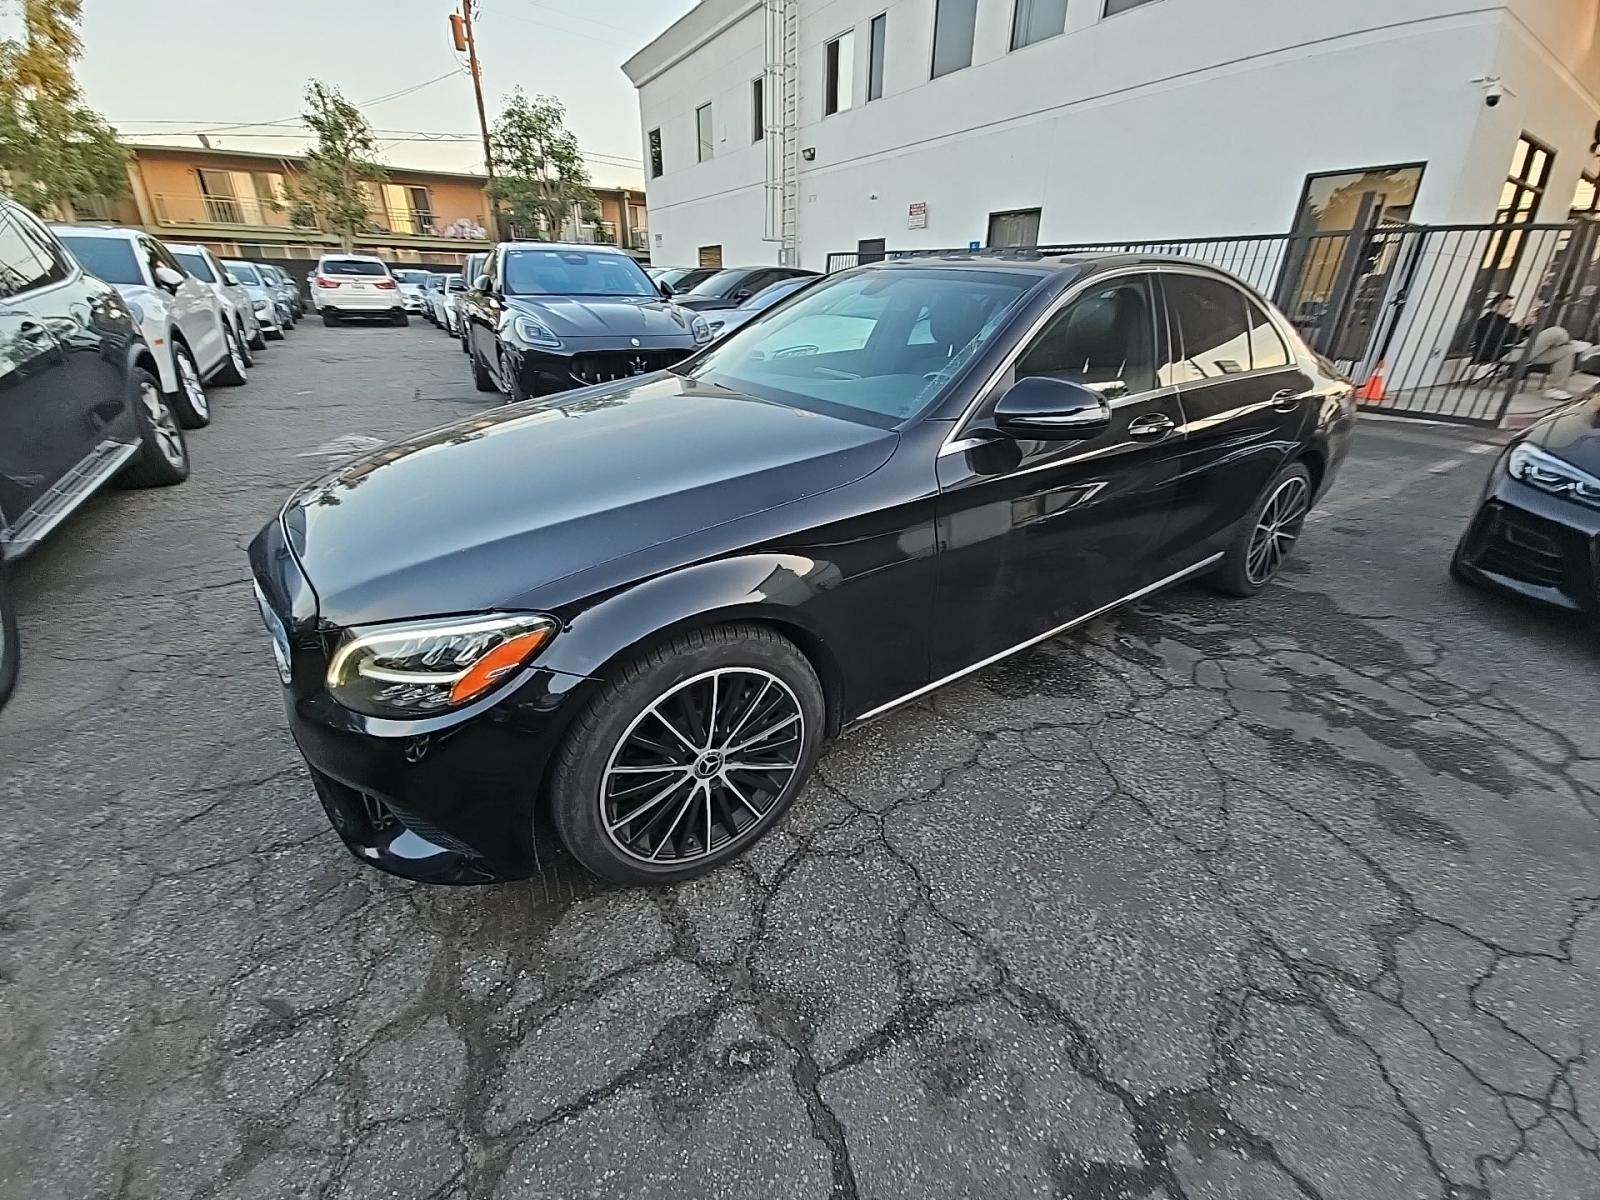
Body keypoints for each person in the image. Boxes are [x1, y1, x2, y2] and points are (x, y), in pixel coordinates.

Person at [1471, 294, 1522, 364]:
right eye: (1508, 306)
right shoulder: (1488, 322)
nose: (1511, 309)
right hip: (1486, 361)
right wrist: (1517, 326)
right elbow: (1502, 337)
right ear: (1496, 306)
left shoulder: (1498, 321)